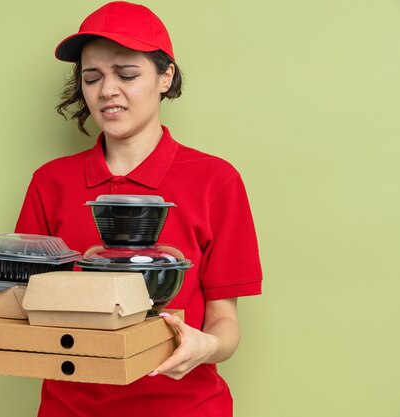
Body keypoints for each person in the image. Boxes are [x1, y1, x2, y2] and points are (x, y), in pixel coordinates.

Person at [15, 2, 263, 416]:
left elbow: (226, 323)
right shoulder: (50, 182)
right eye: (91, 78)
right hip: (68, 407)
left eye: (127, 75)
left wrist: (207, 345)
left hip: (185, 407)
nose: (107, 90)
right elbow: (26, 303)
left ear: (165, 77)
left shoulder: (216, 180)